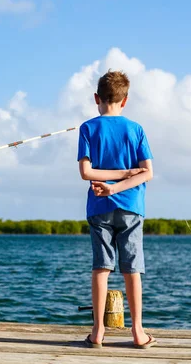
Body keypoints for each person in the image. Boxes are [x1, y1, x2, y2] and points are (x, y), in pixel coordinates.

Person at [77, 70, 157, 349]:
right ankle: (137, 332)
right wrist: (122, 178)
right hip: (132, 207)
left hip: (98, 207)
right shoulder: (136, 129)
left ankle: (97, 332)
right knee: (131, 270)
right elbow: (146, 173)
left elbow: (86, 172)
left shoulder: (88, 128)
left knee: (101, 267)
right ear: (125, 101)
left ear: (96, 98)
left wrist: (109, 186)